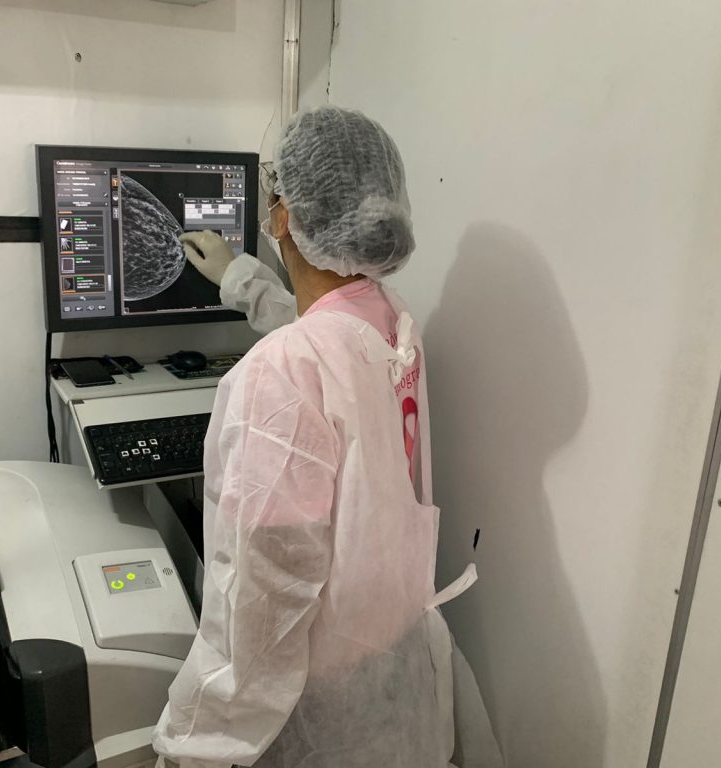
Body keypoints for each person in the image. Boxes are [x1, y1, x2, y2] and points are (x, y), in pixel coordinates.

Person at [153, 106, 499, 768]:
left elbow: (261, 604)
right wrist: (239, 278)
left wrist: (192, 746)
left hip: (313, 714)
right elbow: (327, 336)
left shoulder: (280, 375)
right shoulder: (392, 323)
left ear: (283, 217)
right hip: (391, 677)